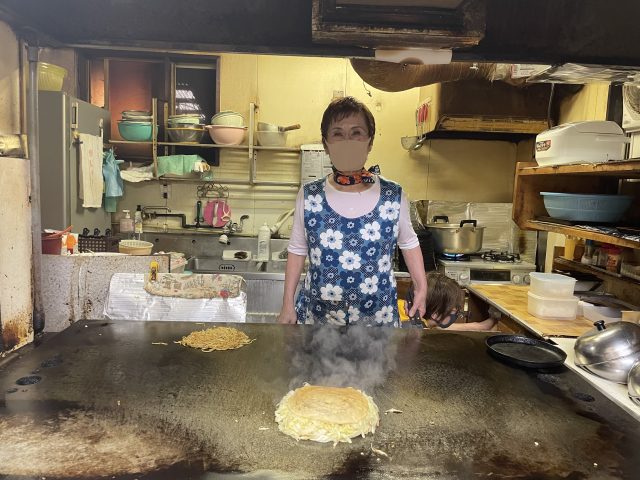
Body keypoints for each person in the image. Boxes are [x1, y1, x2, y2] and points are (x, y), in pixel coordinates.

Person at [277, 96, 427, 327]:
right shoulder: (309, 195)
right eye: (338, 133)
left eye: (356, 133)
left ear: (369, 141)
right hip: (320, 319)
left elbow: (408, 243)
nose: (347, 141)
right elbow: (297, 249)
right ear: (326, 144)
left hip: (378, 319)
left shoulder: (393, 195)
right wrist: (287, 304)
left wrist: (421, 287)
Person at [421, 272, 498, 331]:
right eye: (452, 307)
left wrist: (479, 326)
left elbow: (438, 326)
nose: (456, 310)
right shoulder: (420, 334)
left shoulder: (424, 322)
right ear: (435, 314)